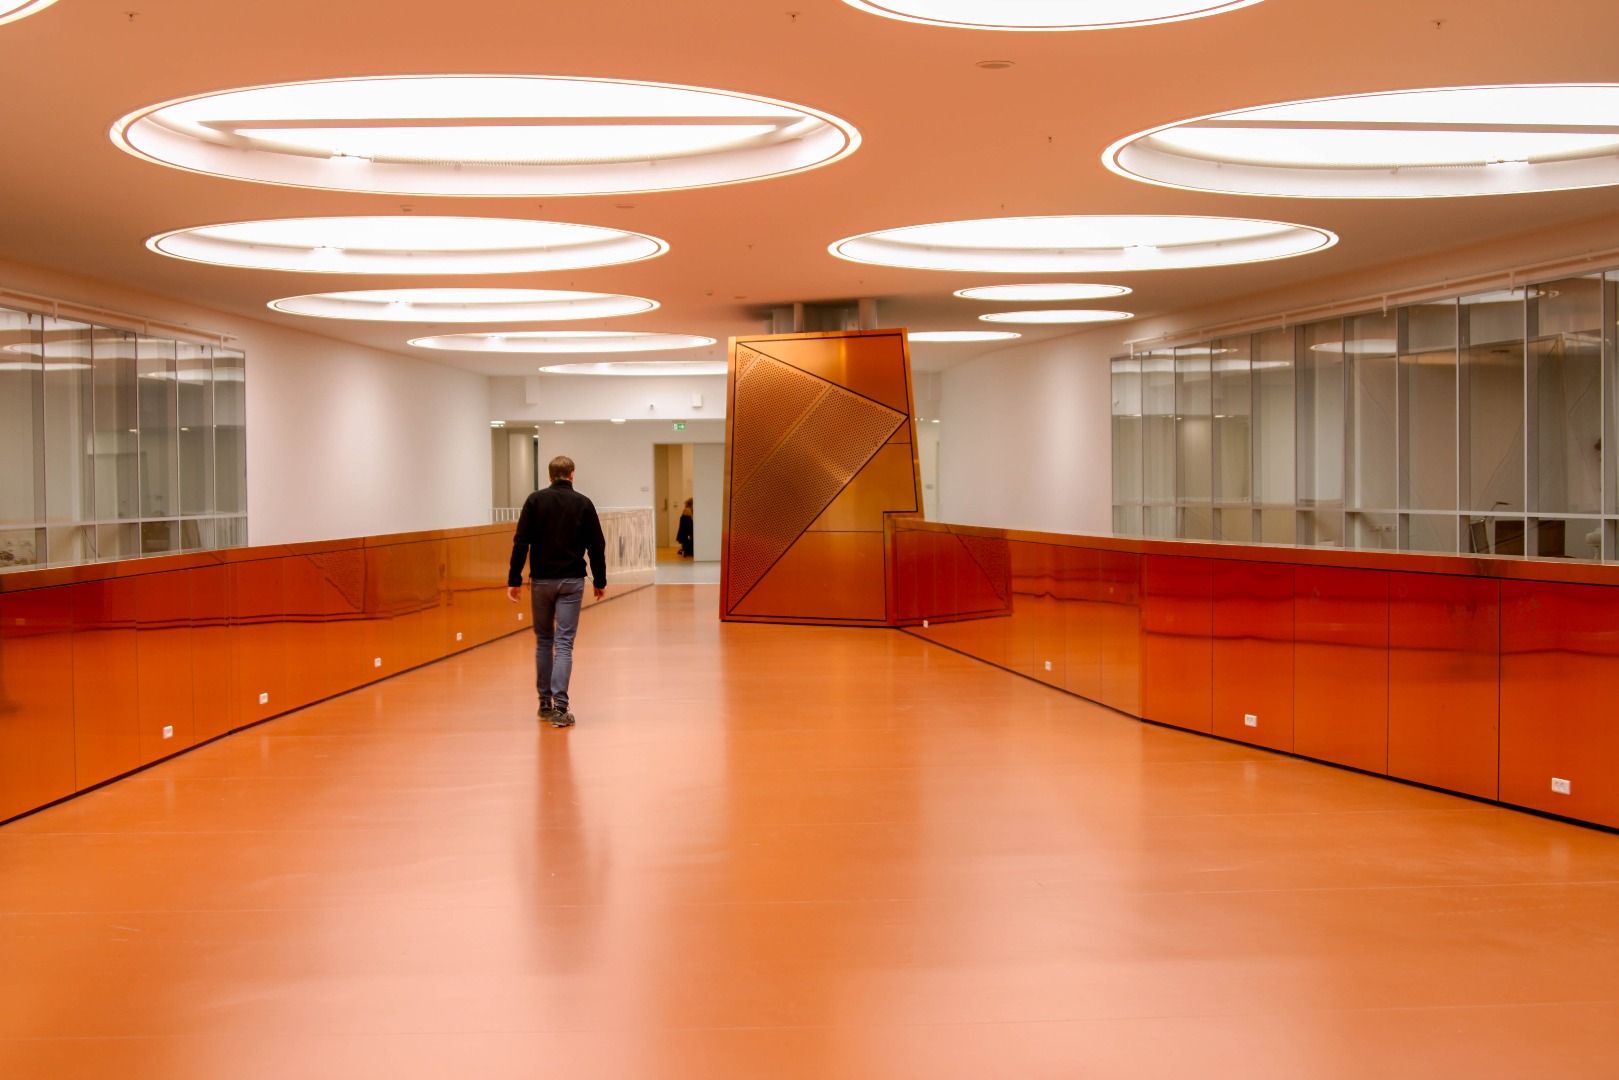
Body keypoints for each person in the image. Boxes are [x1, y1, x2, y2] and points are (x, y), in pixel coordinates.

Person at [507, 455, 607, 728]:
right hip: (571, 581)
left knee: (543, 640)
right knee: (564, 642)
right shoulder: (583, 503)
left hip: (541, 581)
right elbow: (596, 545)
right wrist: (600, 580)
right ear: (572, 474)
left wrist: (514, 578)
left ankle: (544, 704)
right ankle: (561, 708)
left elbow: (521, 542)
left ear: (550, 476)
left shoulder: (535, 501)